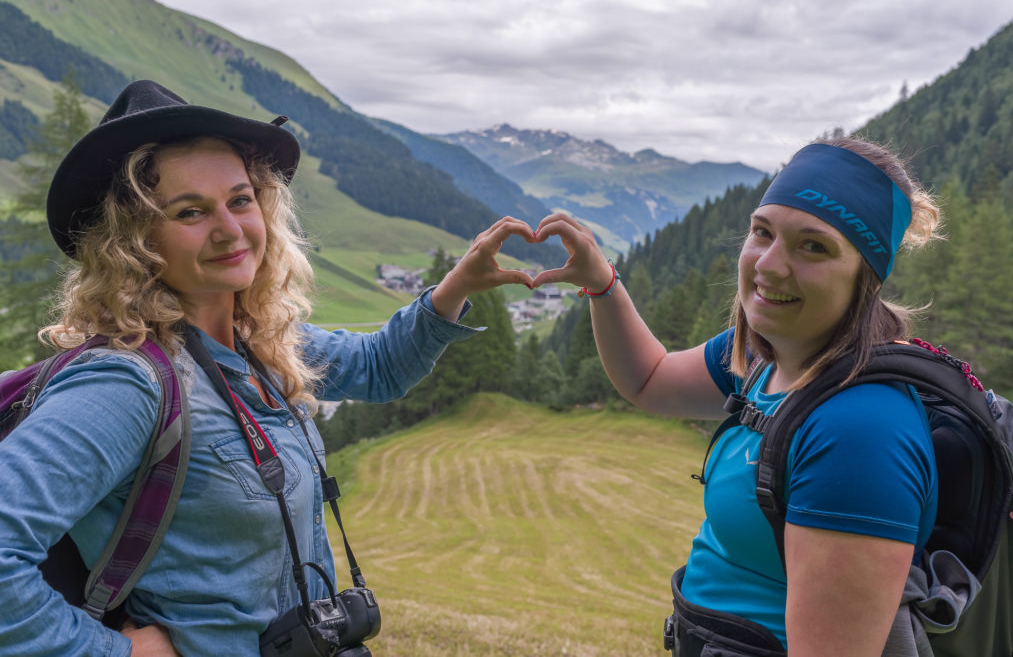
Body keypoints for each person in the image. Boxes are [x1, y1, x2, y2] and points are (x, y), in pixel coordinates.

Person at [0, 80, 536, 656]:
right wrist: (120, 655)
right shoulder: (127, 382)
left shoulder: (263, 343)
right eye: (190, 212)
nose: (230, 229)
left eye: (240, 199)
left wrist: (458, 285)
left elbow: (380, 367)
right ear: (134, 241)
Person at [531, 137, 942, 656]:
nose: (769, 265)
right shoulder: (765, 358)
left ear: (866, 274)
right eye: (762, 232)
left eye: (813, 246)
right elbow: (650, 380)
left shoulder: (860, 431)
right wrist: (601, 282)